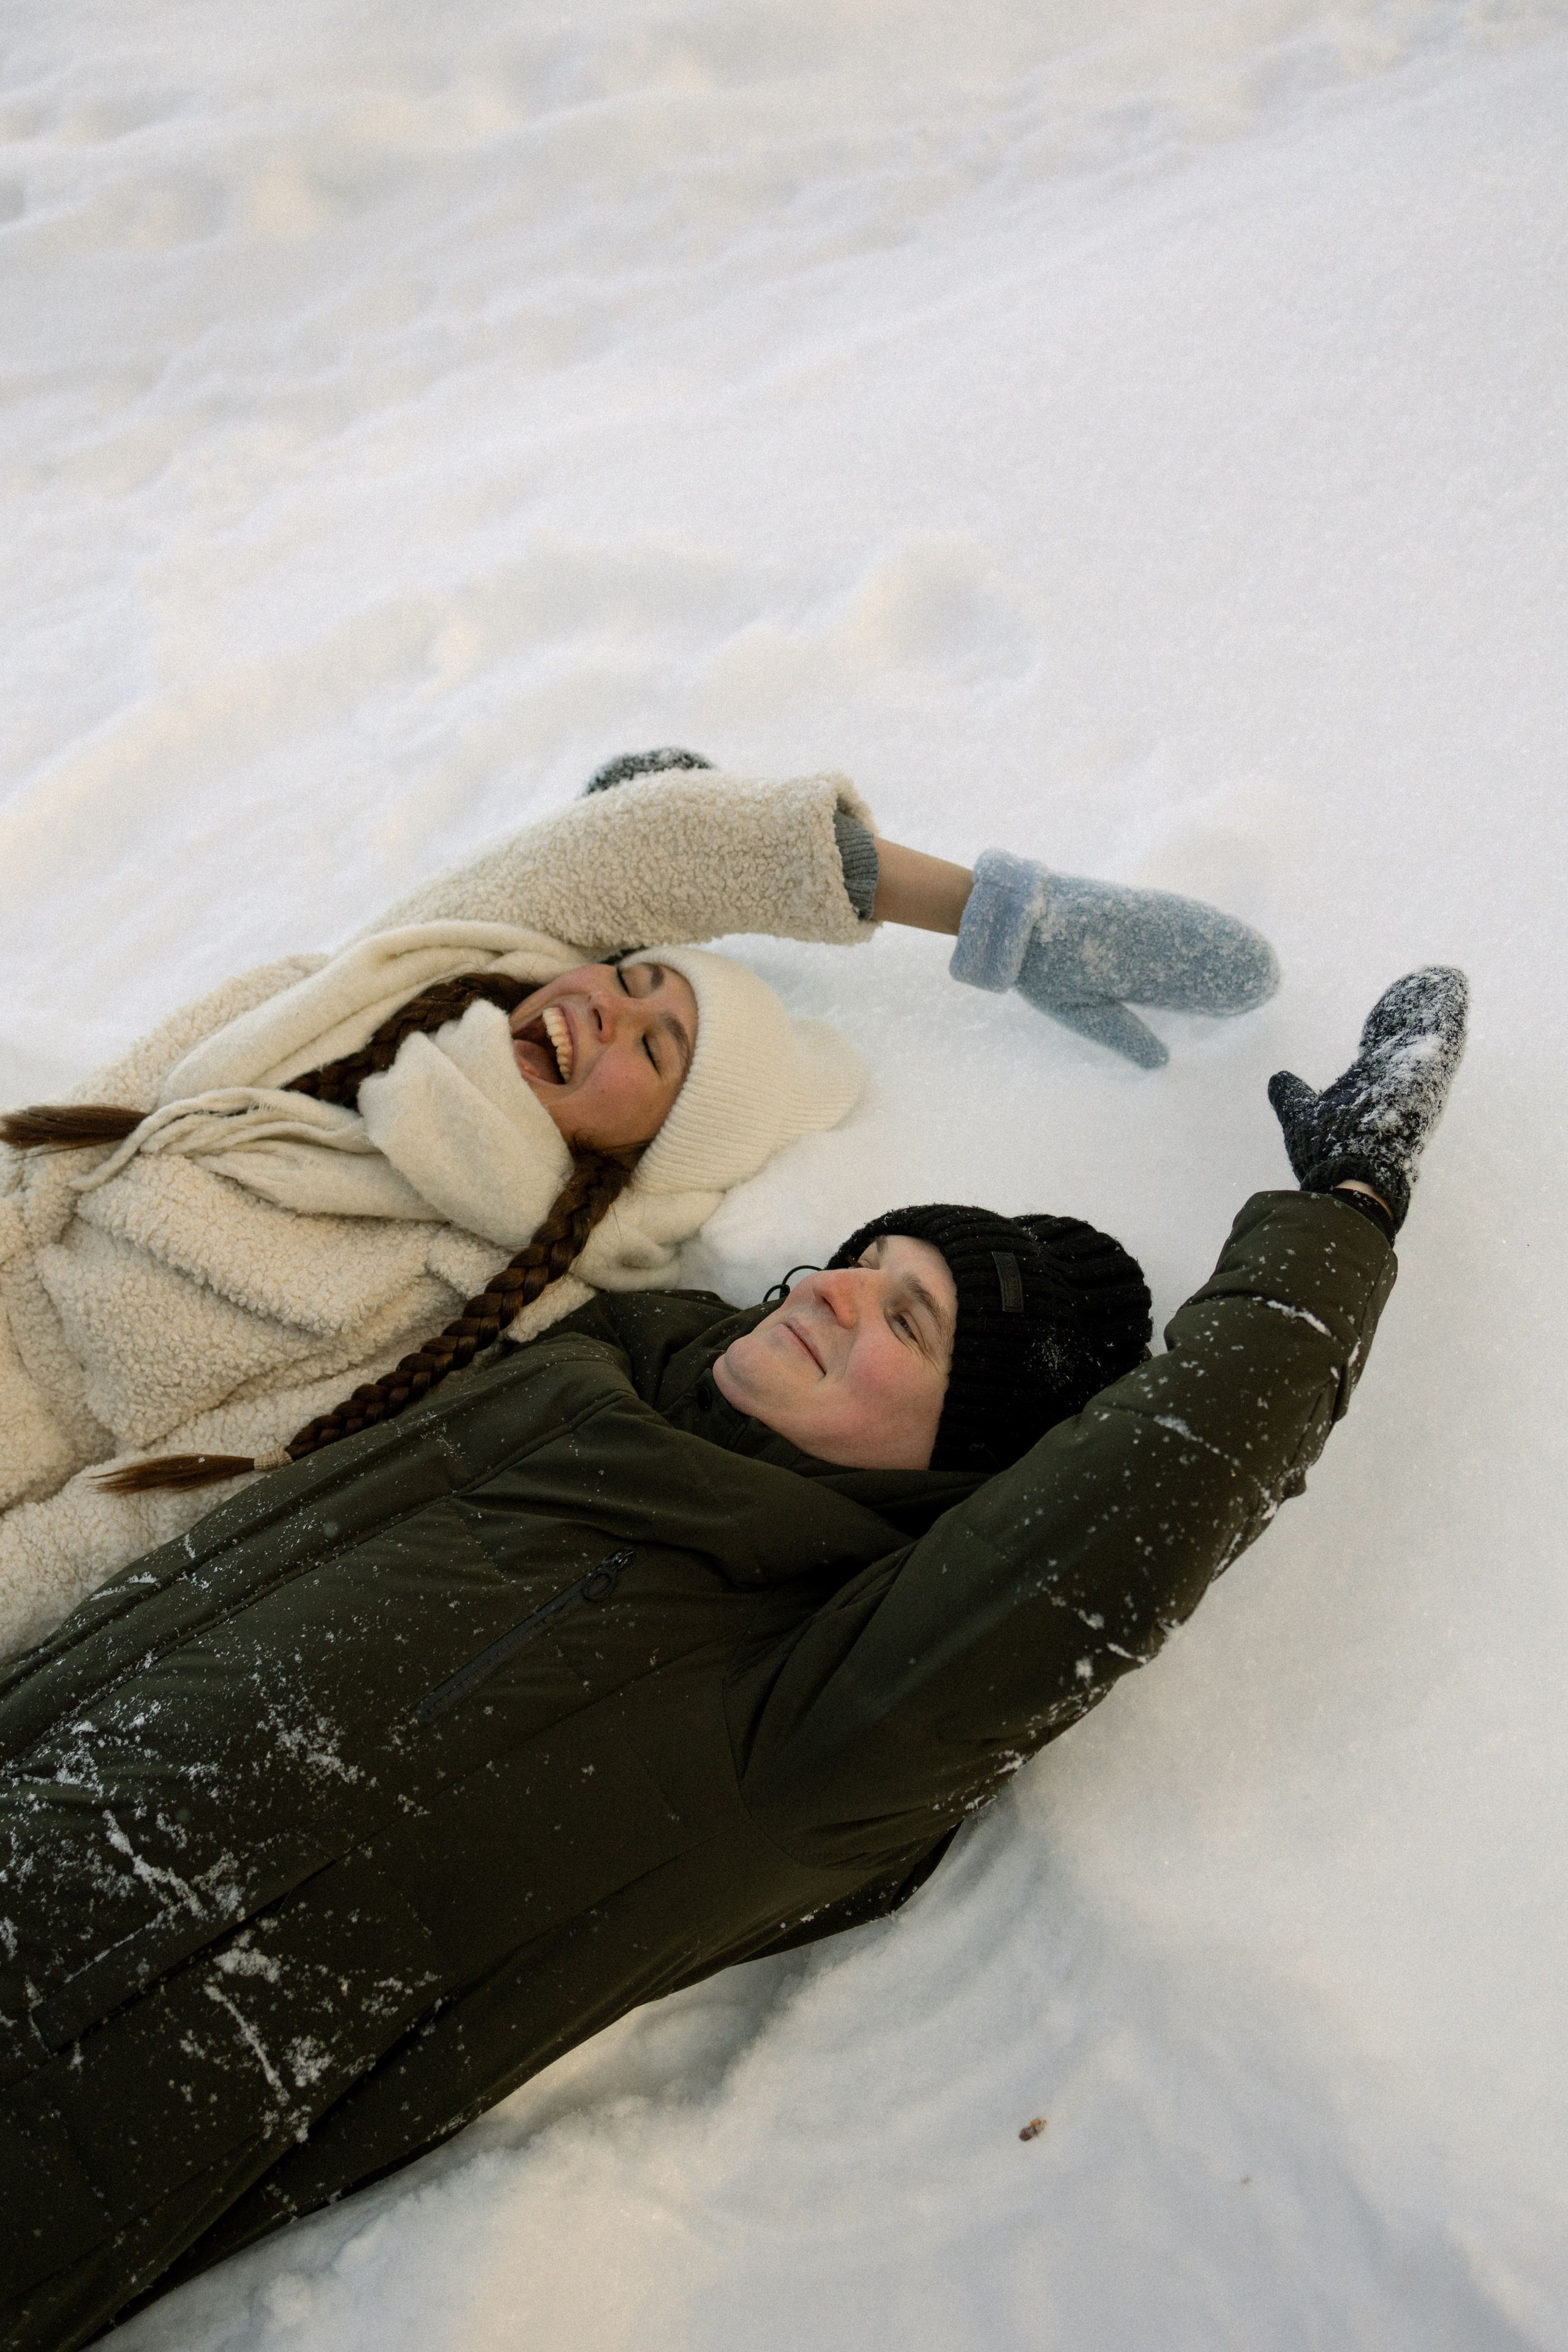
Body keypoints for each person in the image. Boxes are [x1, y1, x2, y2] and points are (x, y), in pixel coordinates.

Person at [0, 963, 1465, 2351]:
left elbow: (1131, 1509)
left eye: (907, 1318)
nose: (830, 1291)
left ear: (962, 1467)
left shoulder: (817, 1715)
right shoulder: (592, 1375)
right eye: (855, 1261)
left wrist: (1336, 1215)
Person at [0, 751, 1278, 1659]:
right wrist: (1001, 914)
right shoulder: (411, 984)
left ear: (636, 1155)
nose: (603, 1009)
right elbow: (619, 855)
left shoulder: (472, 1289)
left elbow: (149, 1513)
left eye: (655, 1052)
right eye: (628, 980)